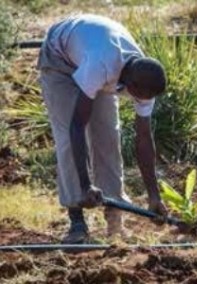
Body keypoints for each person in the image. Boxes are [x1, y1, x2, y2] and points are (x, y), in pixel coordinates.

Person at [37, 14, 167, 243]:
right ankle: (76, 220)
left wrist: (154, 195)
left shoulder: (146, 80)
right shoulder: (102, 64)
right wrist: (86, 185)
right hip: (60, 61)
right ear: (130, 85)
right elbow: (77, 126)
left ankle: (115, 221)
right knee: (69, 136)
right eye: (140, 96)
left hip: (90, 53)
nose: (143, 100)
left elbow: (143, 139)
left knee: (108, 137)